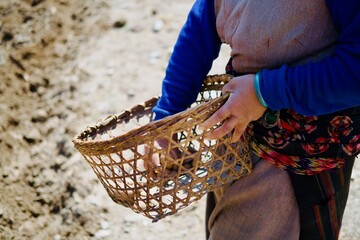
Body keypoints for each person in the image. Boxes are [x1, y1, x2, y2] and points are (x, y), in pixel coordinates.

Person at [152, 0, 360, 239]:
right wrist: (166, 116)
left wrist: (265, 92)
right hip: (237, 136)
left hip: (295, 158)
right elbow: (203, 23)